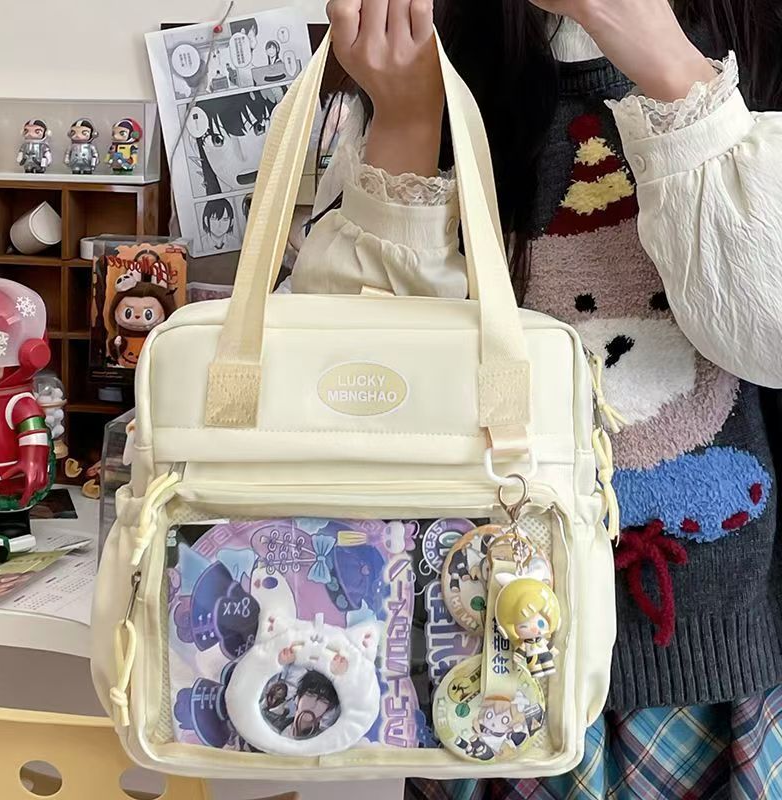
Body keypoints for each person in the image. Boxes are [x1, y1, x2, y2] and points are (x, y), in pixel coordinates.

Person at [286, 0, 782, 795]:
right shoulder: (438, 43)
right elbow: (370, 390)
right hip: (482, 652)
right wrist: (406, 120)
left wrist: (667, 65)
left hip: (713, 654)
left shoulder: (755, 33)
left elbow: (768, 336)